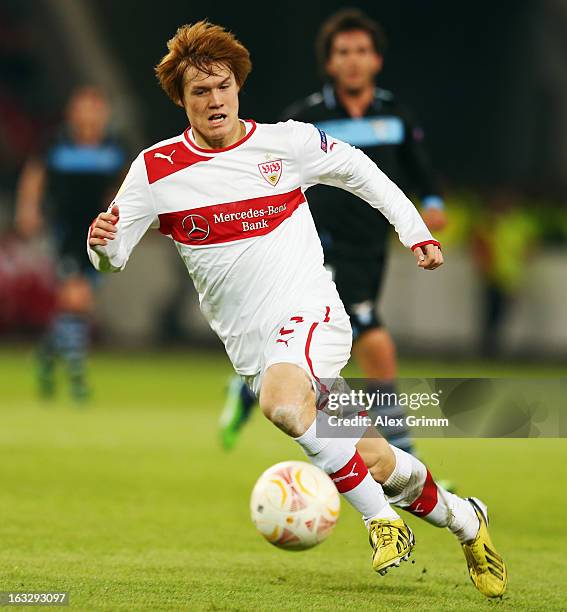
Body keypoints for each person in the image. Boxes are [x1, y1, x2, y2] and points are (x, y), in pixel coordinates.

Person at [87, 21, 506, 596]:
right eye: (199, 92)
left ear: (239, 88)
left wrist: (414, 232)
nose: (214, 101)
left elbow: (363, 173)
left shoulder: (285, 143)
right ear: (180, 100)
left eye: (223, 87)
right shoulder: (155, 171)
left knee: (282, 404)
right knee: (377, 461)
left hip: (314, 315)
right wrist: (100, 242)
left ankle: (380, 522)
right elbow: (112, 260)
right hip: (256, 348)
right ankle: (466, 519)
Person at [221, 9, 447, 457]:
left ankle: (252, 388)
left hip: (369, 248)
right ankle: (403, 460)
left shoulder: (395, 115)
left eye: (362, 51)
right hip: (317, 247)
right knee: (374, 343)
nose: (353, 60)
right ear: (329, 63)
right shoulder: (305, 119)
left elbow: (420, 172)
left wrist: (432, 205)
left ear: (377, 60)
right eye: (343, 52)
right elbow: (267, 169)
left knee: (340, 352)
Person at [15, 86, 127, 401]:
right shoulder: (57, 142)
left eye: (95, 108)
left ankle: (46, 356)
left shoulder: (114, 146)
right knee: (76, 300)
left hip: (98, 235)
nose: (89, 114)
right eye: (83, 107)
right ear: (72, 112)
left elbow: (125, 184)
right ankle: (77, 378)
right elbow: (35, 176)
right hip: (64, 232)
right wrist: (28, 208)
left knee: (77, 305)